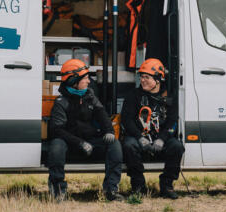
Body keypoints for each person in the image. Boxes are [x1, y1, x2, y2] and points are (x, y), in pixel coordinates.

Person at [47, 59, 123, 202]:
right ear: (74, 80)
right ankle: (58, 191)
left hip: (91, 142)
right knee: (56, 146)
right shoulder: (61, 102)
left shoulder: (90, 96)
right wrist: (80, 143)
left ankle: (111, 190)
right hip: (71, 144)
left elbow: (102, 115)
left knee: (114, 145)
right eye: (86, 78)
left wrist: (109, 132)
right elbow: (57, 130)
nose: (89, 81)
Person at [120, 58, 184, 199]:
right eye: (141, 77)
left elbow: (172, 121)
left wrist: (162, 139)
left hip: (160, 139)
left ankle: (167, 185)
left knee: (177, 147)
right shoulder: (133, 96)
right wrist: (139, 137)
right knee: (129, 146)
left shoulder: (169, 98)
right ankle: (138, 186)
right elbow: (127, 120)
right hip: (139, 138)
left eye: (147, 77)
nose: (143, 80)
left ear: (158, 80)